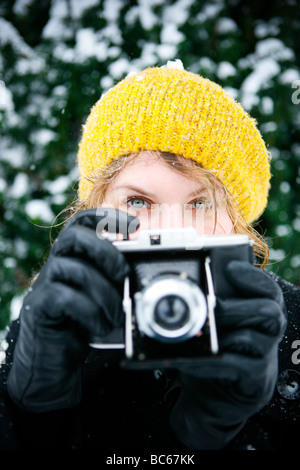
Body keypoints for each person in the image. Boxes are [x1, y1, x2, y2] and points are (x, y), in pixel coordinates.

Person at [0, 63, 299, 451]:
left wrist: (232, 431)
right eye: (138, 202)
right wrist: (30, 408)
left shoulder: (290, 328)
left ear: (240, 226)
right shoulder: (62, 322)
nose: (169, 231)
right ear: (92, 211)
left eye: (200, 203)